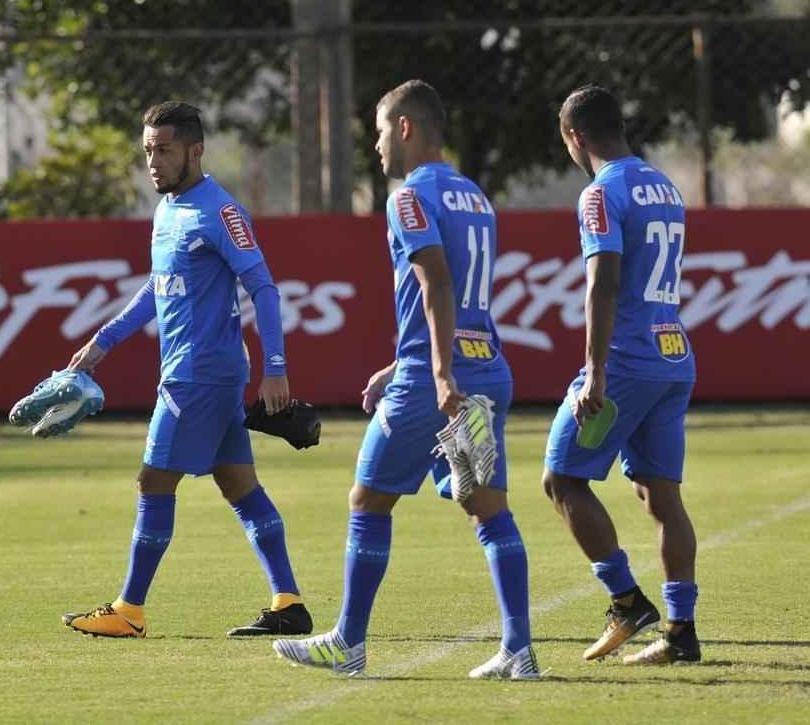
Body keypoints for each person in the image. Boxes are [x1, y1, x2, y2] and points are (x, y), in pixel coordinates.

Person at [273, 80, 537, 678]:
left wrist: (434, 372)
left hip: (435, 379)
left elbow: (437, 282)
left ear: (407, 128)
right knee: (489, 509)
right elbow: (464, 300)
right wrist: (404, 362)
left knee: (368, 499)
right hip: (486, 366)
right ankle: (519, 650)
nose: (376, 144)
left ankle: (348, 643)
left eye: (380, 130)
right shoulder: (475, 196)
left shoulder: (407, 199)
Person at [61, 101, 313, 639]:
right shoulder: (169, 209)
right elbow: (159, 288)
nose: (154, 160)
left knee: (154, 479)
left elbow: (264, 288)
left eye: (165, 149)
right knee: (238, 484)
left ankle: (129, 610)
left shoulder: (219, 212)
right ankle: (288, 603)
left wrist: (276, 370)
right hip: (203, 373)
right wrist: (103, 342)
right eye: (149, 149)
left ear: (195, 151)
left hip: (199, 374)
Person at [542, 84, 700, 665]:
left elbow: (602, 280)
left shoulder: (599, 193)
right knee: (661, 496)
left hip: (629, 359)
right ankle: (681, 633)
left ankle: (627, 601)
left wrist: (594, 371)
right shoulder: (665, 184)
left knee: (561, 479)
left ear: (576, 137)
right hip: (673, 351)